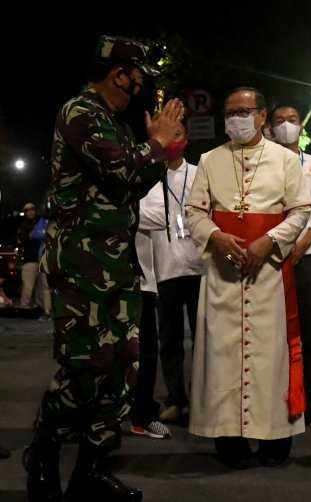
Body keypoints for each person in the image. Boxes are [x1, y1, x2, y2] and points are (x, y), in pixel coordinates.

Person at [25, 35, 184, 502]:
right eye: (138, 74)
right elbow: (121, 171)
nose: (142, 83)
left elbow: (133, 182)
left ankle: (91, 472)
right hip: (80, 265)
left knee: (120, 371)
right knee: (83, 368)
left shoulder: (113, 122)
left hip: (115, 265)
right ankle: (44, 450)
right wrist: (154, 143)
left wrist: (163, 151)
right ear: (118, 74)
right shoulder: (80, 112)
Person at [185, 87, 311, 469]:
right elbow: (194, 211)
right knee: (222, 356)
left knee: (269, 357)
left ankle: (275, 438)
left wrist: (269, 242)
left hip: (268, 272)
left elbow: (302, 209)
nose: (235, 119)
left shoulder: (285, 161)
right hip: (224, 273)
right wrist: (216, 237)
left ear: (261, 116)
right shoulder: (209, 159)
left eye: (244, 111)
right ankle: (229, 440)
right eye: (229, 113)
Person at [270, 104, 311, 430]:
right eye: (279, 121)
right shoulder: (263, 162)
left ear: (301, 127)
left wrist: (304, 242)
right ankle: (276, 399)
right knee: (274, 332)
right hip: (270, 256)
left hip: (306, 258)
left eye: (292, 120)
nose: (286, 125)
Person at [138, 121, 206, 424]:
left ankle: (205, 399)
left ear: (187, 139)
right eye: (166, 136)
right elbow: (138, 213)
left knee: (205, 338)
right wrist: (176, 216)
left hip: (200, 268)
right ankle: (176, 398)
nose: (172, 141)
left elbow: (207, 211)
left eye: (177, 134)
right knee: (170, 339)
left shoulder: (201, 173)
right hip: (166, 270)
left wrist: (182, 216)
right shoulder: (150, 178)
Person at [129, 226, 171, 440]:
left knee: (147, 353)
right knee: (100, 352)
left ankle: (143, 416)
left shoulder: (147, 191)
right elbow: (159, 214)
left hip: (143, 282)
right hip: (108, 279)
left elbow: (159, 216)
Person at [17, 203, 50, 316]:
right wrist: (35, 233)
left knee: (44, 287)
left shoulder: (43, 223)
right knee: (27, 287)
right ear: (25, 212)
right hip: (29, 260)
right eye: (27, 210)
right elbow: (24, 238)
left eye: (32, 209)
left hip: (42, 261)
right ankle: (24, 309)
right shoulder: (23, 225)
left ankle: (43, 310)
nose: (30, 211)